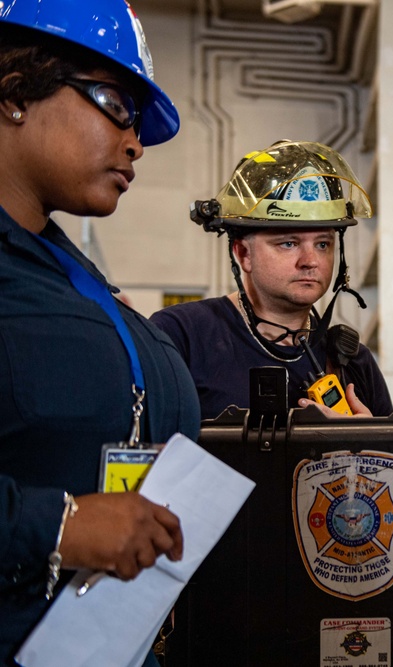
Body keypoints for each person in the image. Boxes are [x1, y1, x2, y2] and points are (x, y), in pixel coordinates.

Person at [0, 0, 199, 664]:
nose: (135, 141)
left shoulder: (67, 270)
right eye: (115, 103)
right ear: (13, 91)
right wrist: (55, 525)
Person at [152, 140, 393, 420]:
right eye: (288, 243)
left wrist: (366, 448)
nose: (310, 260)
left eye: (323, 244)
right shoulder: (182, 336)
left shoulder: (352, 362)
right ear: (243, 254)